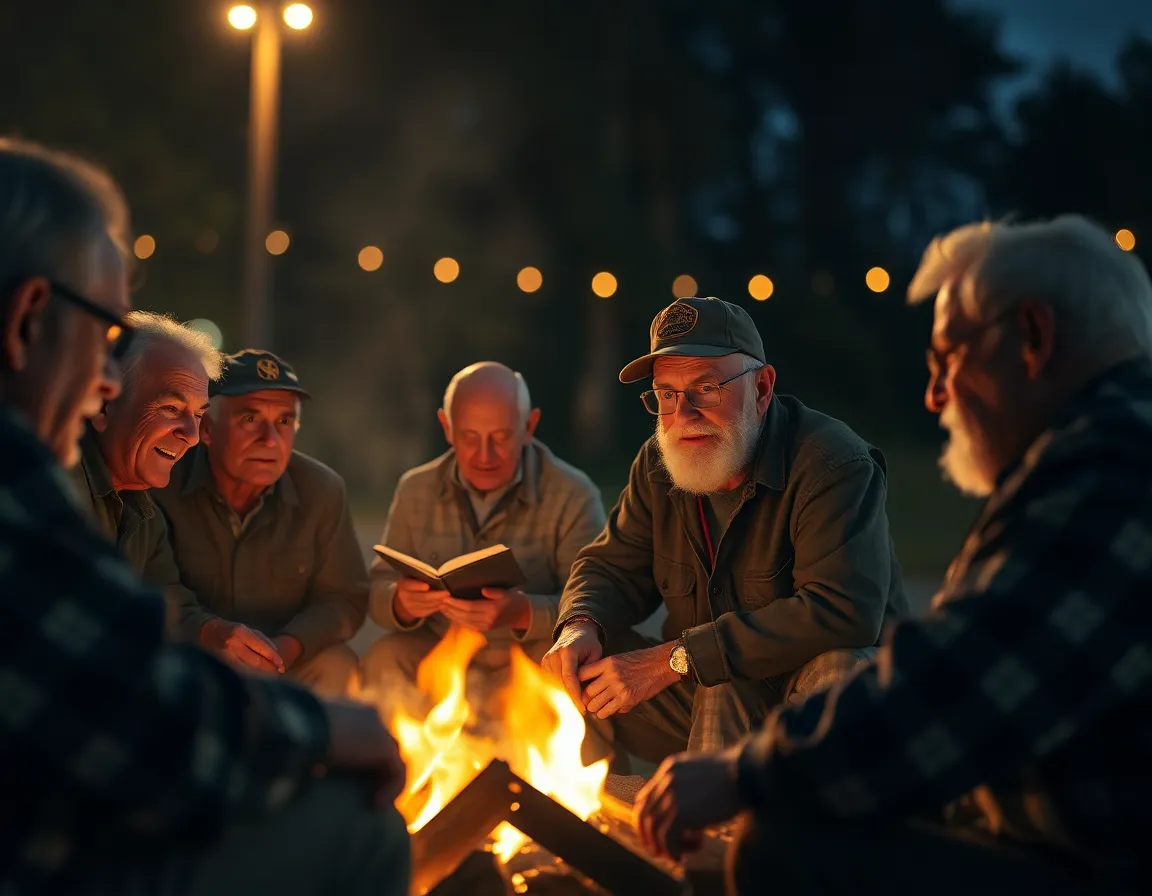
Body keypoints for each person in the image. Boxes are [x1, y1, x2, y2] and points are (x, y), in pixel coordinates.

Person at [633, 216, 1152, 894]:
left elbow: (958, 684)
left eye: (947, 358)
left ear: (1032, 335)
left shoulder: (1111, 474)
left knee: (784, 849)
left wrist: (744, 773)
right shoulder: (1097, 453)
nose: (934, 395)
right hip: (1058, 842)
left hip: (1097, 865)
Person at [0, 138, 409, 894]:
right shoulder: (21, 484)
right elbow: (141, 724)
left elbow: (139, 638)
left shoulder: (133, 503)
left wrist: (254, 651)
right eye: (107, 336)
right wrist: (319, 728)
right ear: (28, 320)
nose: (105, 382)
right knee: (360, 826)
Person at [542, 296, 909, 760]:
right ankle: (591, 801)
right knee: (570, 665)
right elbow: (610, 567)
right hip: (714, 688)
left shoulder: (833, 463)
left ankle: (753, 807)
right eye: (666, 395)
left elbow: (843, 611)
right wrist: (579, 626)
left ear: (762, 388)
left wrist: (680, 658)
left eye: (706, 388)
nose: (684, 414)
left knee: (808, 671)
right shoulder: (659, 464)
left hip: (823, 702)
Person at [363, 362, 606, 702]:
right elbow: (375, 590)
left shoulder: (573, 494)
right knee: (384, 657)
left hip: (531, 658)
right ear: (447, 428)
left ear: (529, 426)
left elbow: (596, 602)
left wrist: (522, 612)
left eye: (501, 437)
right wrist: (401, 602)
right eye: (469, 437)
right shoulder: (415, 488)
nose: (484, 455)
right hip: (440, 653)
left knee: (578, 667)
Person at [155, 349, 368, 698]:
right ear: (207, 428)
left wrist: (286, 648)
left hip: (282, 664)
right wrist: (209, 633)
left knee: (337, 665)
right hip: (192, 659)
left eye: (284, 421)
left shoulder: (321, 490)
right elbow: (150, 584)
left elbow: (345, 598)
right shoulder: (164, 484)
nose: (270, 440)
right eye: (250, 419)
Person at [70, 310, 219, 628]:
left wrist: (213, 632)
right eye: (171, 408)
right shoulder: (59, 490)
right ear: (103, 404)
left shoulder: (146, 517)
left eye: (198, 415)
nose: (192, 436)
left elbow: (172, 607)